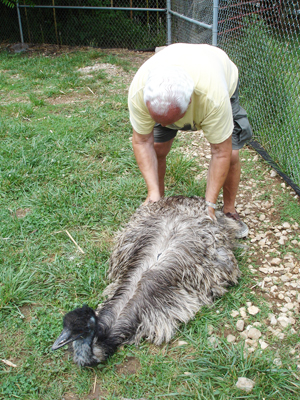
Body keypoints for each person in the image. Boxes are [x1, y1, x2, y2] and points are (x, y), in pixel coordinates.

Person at [128, 43, 253, 238]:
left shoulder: (213, 97)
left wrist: (209, 207)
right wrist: (152, 192)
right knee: (157, 147)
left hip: (216, 72)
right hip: (172, 92)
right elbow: (142, 141)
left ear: (190, 103)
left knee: (232, 155)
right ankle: (157, 202)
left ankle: (229, 210)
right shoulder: (140, 91)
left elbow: (221, 152)